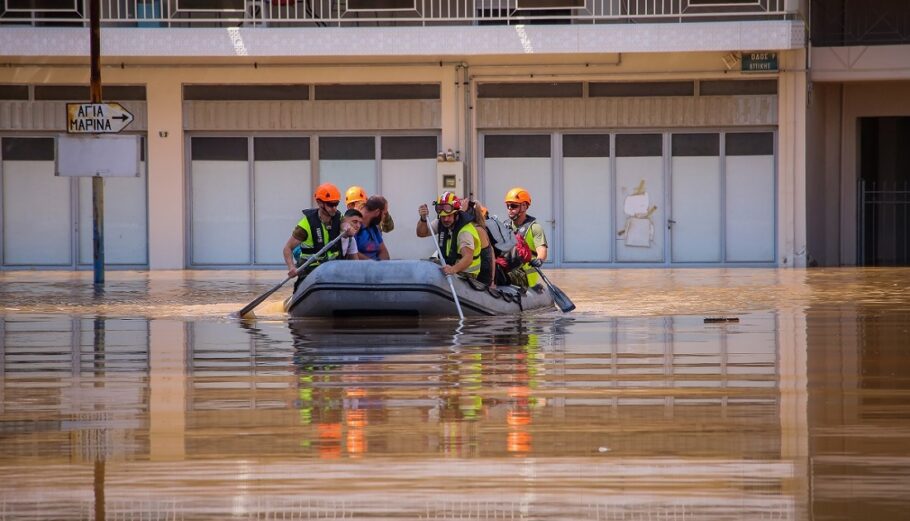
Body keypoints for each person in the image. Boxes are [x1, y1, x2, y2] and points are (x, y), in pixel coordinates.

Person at [282, 183, 354, 290]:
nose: (334, 208)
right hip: (311, 270)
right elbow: (287, 248)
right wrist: (291, 267)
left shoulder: (338, 217)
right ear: (320, 203)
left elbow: (345, 225)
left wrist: (347, 228)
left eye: (336, 204)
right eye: (330, 204)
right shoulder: (306, 225)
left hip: (333, 268)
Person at [416, 192, 481, 279]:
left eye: (449, 216)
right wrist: (423, 219)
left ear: (456, 214)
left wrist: (452, 270)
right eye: (443, 216)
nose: (446, 219)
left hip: (466, 275)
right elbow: (421, 233)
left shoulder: (464, 231)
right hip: (451, 268)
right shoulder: (441, 223)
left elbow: (468, 258)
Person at [504, 187, 548, 288]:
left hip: (526, 277)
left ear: (524, 206)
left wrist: (539, 259)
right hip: (510, 270)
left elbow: (542, 250)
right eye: (508, 206)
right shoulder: (505, 226)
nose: (510, 209)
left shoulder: (534, 228)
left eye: (514, 206)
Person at [465, 200, 496, 287]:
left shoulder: (476, 230)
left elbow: (490, 255)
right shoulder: (477, 228)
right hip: (478, 276)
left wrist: (491, 281)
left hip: (481, 278)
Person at [355, 195, 391, 260]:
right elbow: (352, 252)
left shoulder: (373, 227)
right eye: (384, 214)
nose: (384, 217)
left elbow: (384, 252)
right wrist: (372, 265)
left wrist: (379, 266)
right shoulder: (354, 225)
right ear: (377, 212)